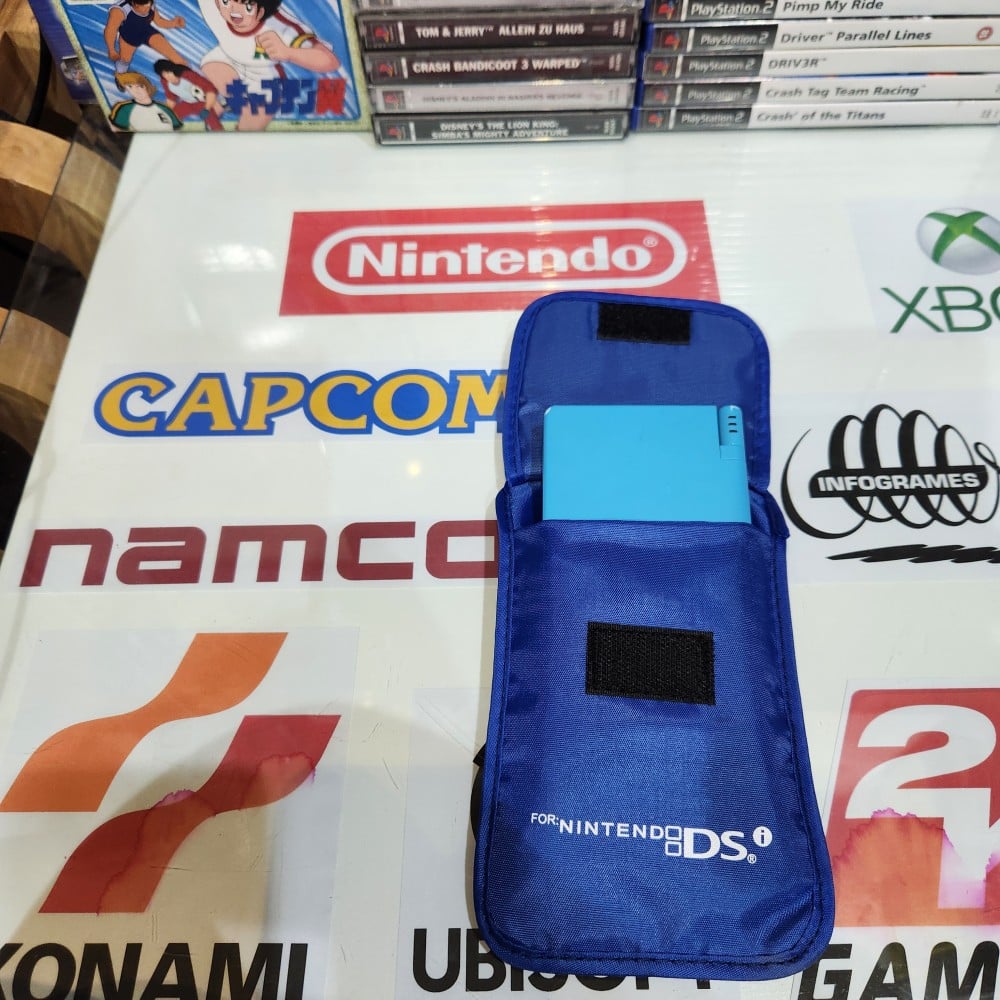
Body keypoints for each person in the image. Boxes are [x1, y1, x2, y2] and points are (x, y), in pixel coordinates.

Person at [197, 0, 342, 130]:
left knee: (249, 128)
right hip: (226, 59)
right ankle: (227, 102)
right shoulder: (210, 5)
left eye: (247, 6)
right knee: (213, 67)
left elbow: (330, 61)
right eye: (226, 2)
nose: (234, 11)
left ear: (261, 12)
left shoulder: (281, 27)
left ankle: (231, 105)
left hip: (263, 79)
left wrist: (289, 53)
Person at [104, 0, 186, 74]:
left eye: (148, 7)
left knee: (172, 53)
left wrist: (174, 23)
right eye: (142, 8)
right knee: (123, 64)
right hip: (129, 36)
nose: (145, 11)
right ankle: (120, 75)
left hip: (147, 32)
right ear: (133, 3)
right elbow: (110, 30)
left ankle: (185, 69)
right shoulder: (120, 10)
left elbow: (159, 21)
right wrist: (111, 50)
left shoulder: (150, 4)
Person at [153, 59, 224, 130]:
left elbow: (210, 90)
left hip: (203, 102)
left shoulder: (188, 75)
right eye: (164, 75)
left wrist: (207, 108)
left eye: (168, 73)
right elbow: (171, 99)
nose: (168, 77)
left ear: (173, 69)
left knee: (215, 125)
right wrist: (167, 113)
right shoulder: (165, 81)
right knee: (170, 117)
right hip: (187, 103)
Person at [108, 71, 183, 130]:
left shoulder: (165, 109)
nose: (136, 90)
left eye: (140, 86)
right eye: (130, 87)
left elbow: (179, 131)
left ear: (147, 87)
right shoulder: (124, 108)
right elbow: (116, 131)